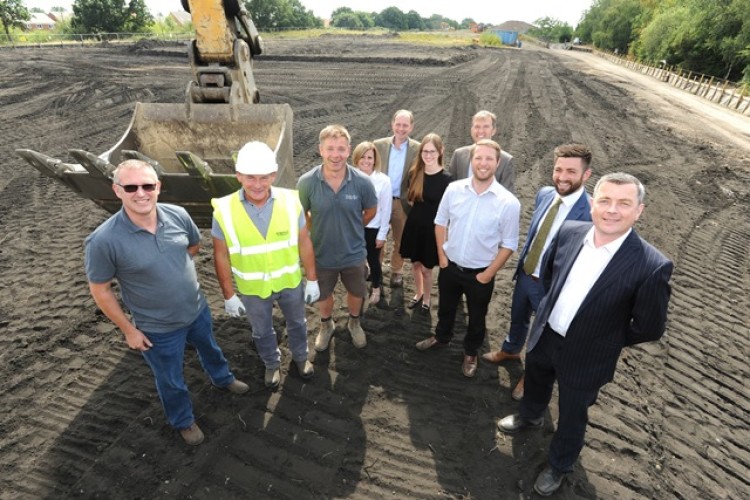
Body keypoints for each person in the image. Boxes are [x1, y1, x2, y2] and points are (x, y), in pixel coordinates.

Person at [496, 173, 673, 496]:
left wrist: (605, 337)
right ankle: (530, 416)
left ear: (639, 210)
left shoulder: (652, 265)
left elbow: (649, 326)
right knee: (535, 379)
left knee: (572, 414)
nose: (612, 210)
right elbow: (549, 276)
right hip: (547, 335)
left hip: (589, 356)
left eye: (624, 203)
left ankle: (559, 464)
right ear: (592, 204)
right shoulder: (569, 232)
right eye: (605, 200)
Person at [84, 160, 249, 447]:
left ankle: (223, 378)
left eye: (147, 185)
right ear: (117, 190)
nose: (141, 193)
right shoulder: (103, 241)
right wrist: (128, 330)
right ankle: (183, 420)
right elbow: (100, 290)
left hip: (196, 310)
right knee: (170, 379)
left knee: (210, 347)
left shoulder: (178, 215)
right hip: (157, 328)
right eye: (131, 187)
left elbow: (193, 247)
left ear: (158, 187)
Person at [483, 143, 594, 401]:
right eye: (558, 170)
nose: (562, 177)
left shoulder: (590, 212)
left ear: (586, 175)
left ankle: (529, 377)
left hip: (552, 286)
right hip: (526, 274)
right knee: (518, 318)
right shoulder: (544, 194)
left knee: (541, 337)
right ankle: (510, 351)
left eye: (571, 172)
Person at [212, 142, 319, 389]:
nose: (257, 184)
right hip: (252, 287)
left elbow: (304, 241)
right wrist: (228, 294)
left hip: (289, 281)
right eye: (250, 177)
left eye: (264, 177)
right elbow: (220, 255)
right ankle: (272, 363)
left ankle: (301, 357)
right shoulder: (224, 210)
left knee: (298, 323)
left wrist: (312, 279)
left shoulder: (292, 202)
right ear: (238, 176)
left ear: (273, 175)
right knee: (261, 331)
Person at [415, 139, 520, 378]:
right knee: (446, 308)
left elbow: (509, 244)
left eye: (489, 159)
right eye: (478, 158)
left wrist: (487, 274)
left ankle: (471, 352)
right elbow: (440, 222)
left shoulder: (508, 203)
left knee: (477, 318)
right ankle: (441, 337)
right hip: (450, 267)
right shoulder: (454, 189)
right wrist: (442, 257)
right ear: (471, 161)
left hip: (480, 274)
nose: (483, 164)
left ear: (498, 162)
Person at [297, 125, 378, 351]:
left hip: (353, 253)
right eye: (330, 148)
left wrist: (351, 226)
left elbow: (371, 211)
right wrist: (317, 229)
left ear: (349, 150)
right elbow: (301, 215)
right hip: (322, 253)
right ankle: (326, 324)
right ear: (320, 150)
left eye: (341, 149)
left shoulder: (362, 182)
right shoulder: (306, 182)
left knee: (356, 292)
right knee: (324, 294)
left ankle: (354, 322)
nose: (336, 154)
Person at [399, 133, 453, 313]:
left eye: (432, 151)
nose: (428, 155)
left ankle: (427, 299)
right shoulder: (415, 173)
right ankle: (419, 292)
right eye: (425, 151)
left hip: (432, 231)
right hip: (414, 226)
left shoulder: (447, 180)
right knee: (415, 264)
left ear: (440, 152)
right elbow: (411, 200)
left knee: (427, 269)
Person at [374, 110, 420, 288]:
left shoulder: (418, 148)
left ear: (411, 127)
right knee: (378, 237)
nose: (401, 129)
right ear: (392, 124)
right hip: (380, 202)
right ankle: (376, 268)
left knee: (400, 240)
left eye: (405, 125)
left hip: (402, 202)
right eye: (398, 124)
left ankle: (396, 271)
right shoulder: (378, 145)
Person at [353, 141, 392, 307]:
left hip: (373, 228)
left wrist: (382, 234)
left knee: (373, 259)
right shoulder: (349, 176)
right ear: (356, 158)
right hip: (353, 227)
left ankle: (376, 287)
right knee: (355, 260)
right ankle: (358, 286)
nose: (366, 160)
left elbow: (386, 209)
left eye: (370, 157)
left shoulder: (383, 181)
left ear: (375, 160)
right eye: (363, 157)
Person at [448, 110, 515, 193]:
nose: (480, 131)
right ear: (471, 130)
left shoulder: (506, 160)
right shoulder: (459, 156)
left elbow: (507, 194)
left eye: (486, 127)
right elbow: (450, 189)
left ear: (493, 130)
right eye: (477, 127)